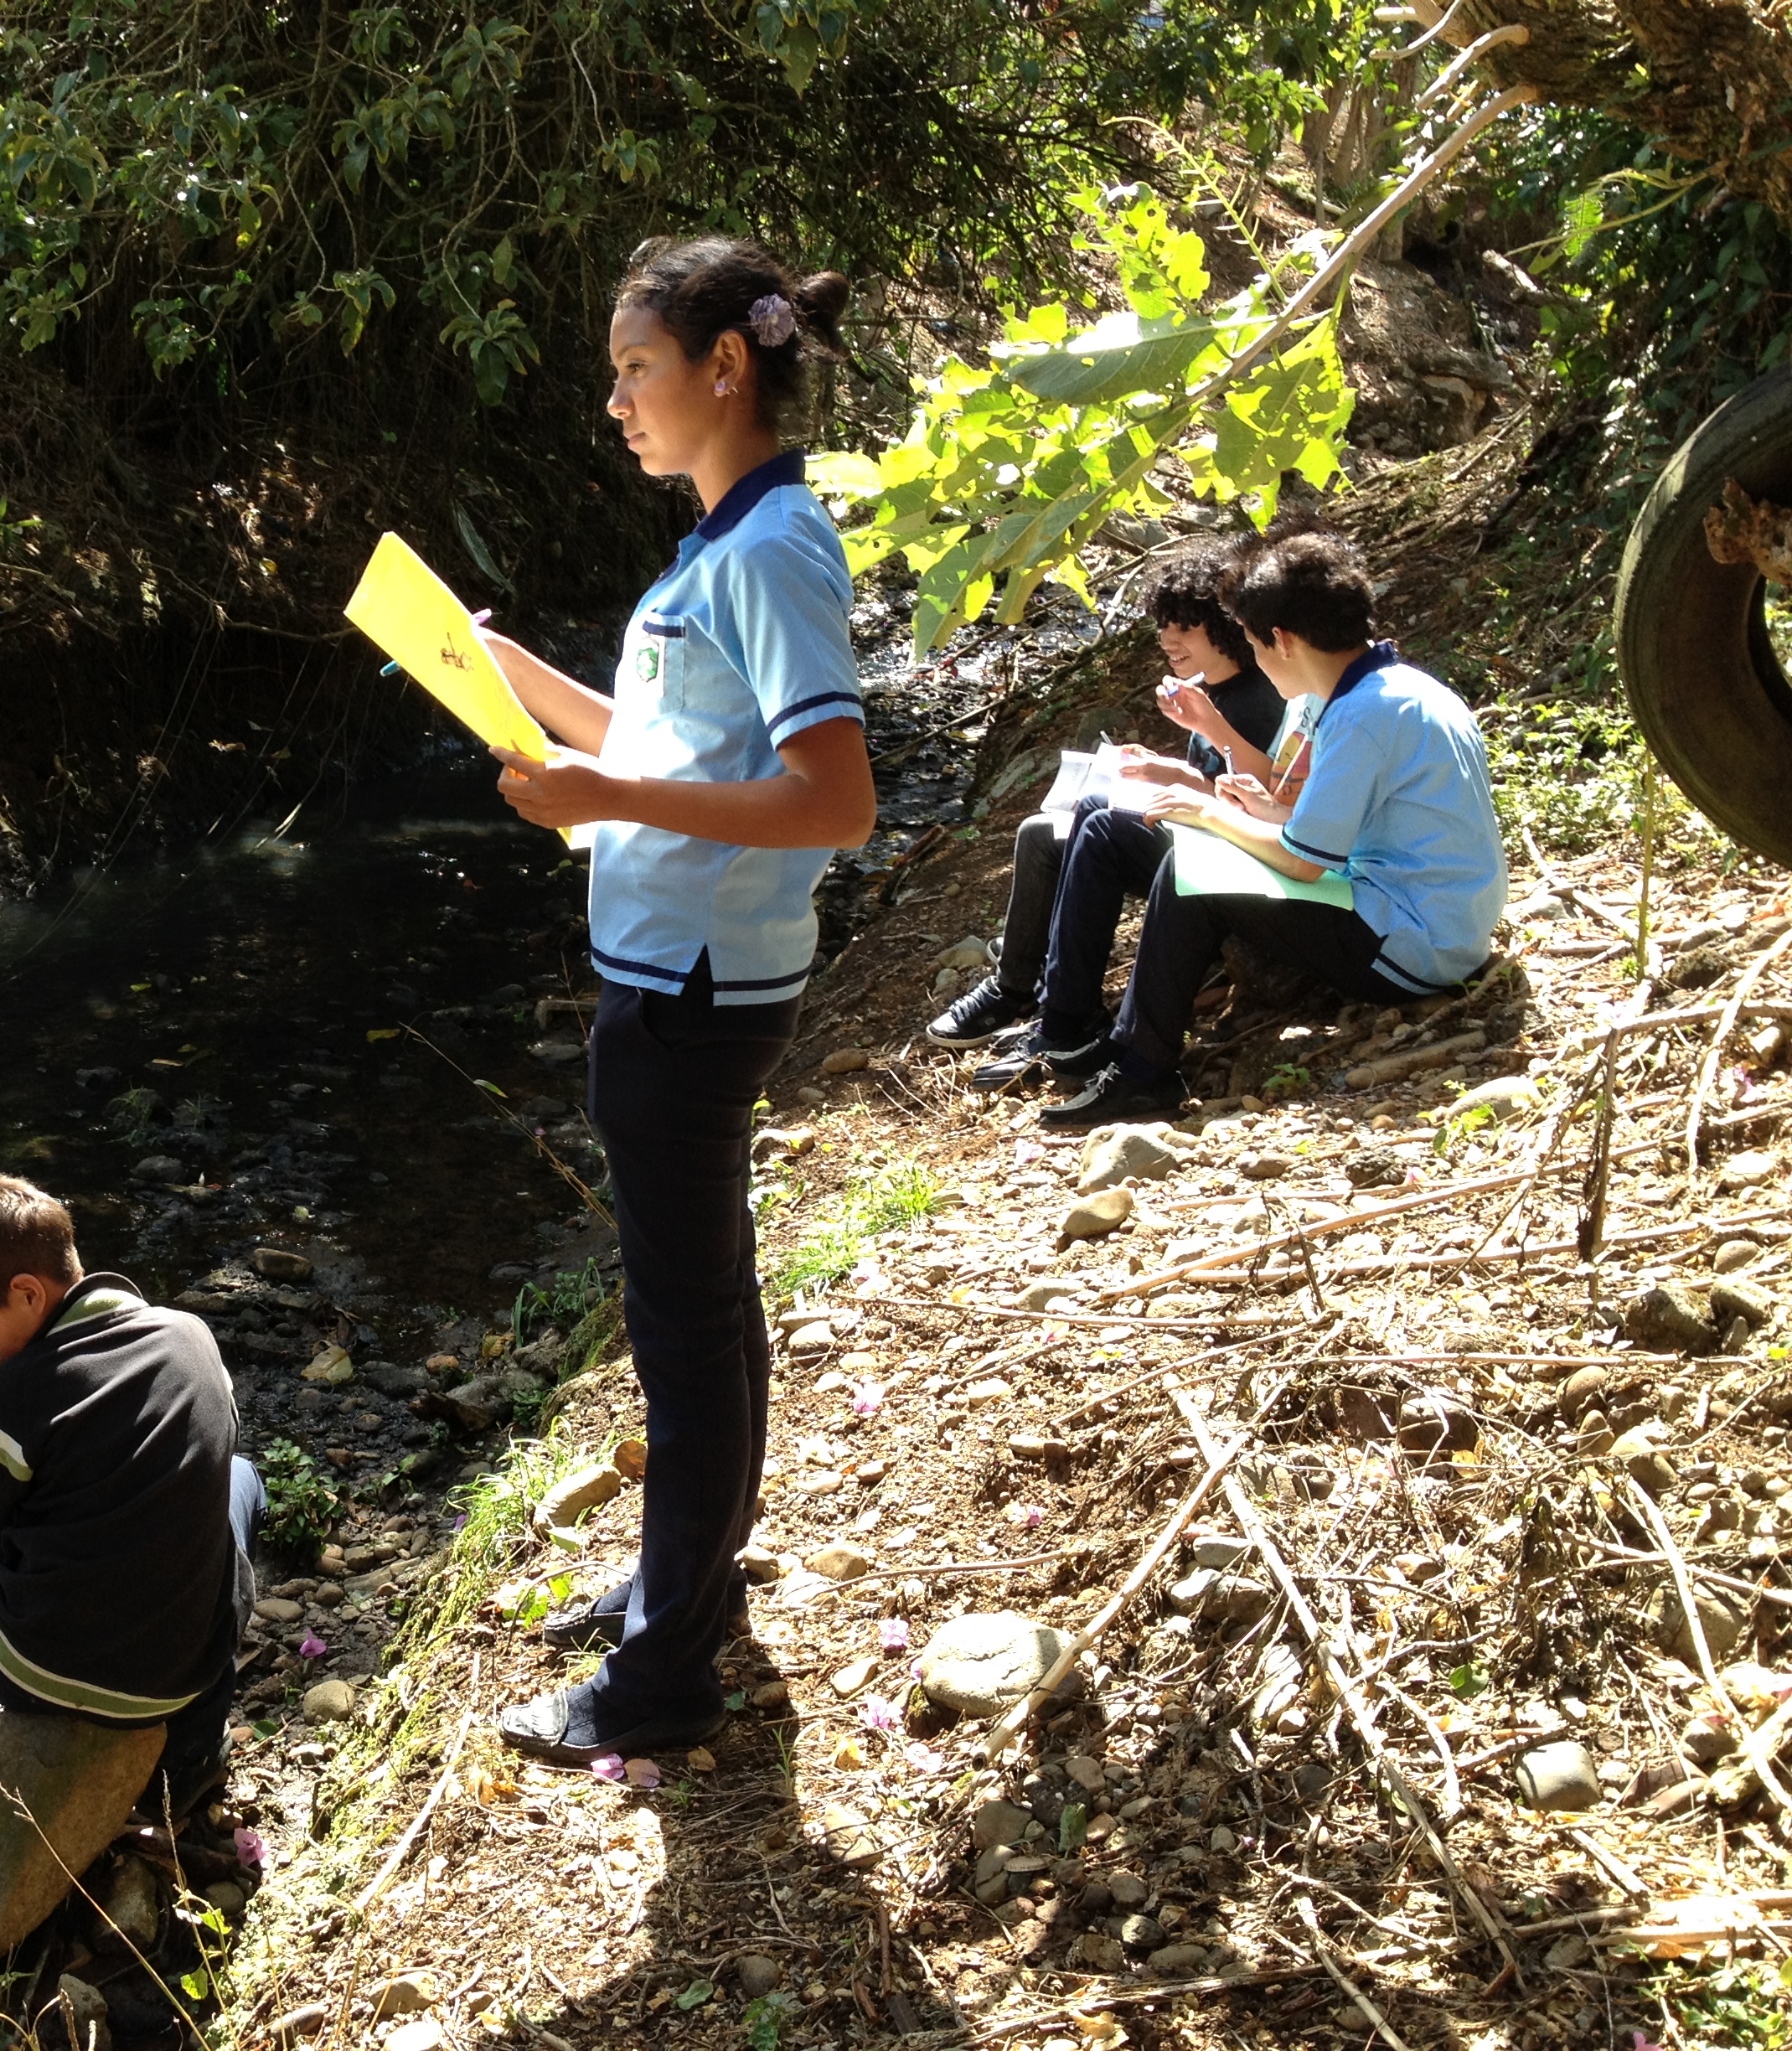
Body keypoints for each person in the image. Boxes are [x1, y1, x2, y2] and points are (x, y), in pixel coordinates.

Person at [468, 236, 877, 1764]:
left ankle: (664, 1678)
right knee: (703, 1311)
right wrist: (513, 678)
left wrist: (599, 791)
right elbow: (674, 753)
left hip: (693, 996)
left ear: (724, 366)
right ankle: (680, 1583)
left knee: (686, 1334)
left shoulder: (767, 551)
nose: (616, 401)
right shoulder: (725, 538)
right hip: (679, 980)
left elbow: (834, 799)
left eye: (635, 368)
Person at [1034, 527, 1506, 1129]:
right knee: (1121, 833)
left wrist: (1209, 812)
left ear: (1281, 640)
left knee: (1190, 871)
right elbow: (1352, 829)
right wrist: (1262, 810)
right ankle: (1079, 1033)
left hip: (1415, 944)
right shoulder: (1399, 689)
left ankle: (1143, 1073)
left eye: (1254, 645)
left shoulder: (1362, 714)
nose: (1255, 660)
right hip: (1429, 916)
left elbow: (1305, 862)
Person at [0, 1170, 261, 1813]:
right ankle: (196, 1748)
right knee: (239, 1478)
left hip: (32, 1670)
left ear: (26, 1294)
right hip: (187, 1673)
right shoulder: (192, 1337)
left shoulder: (10, 1395)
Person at [927, 543, 1290, 1049]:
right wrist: (1166, 769)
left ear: (1225, 628)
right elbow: (1218, 776)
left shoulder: (1260, 697)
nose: (1167, 640)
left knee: (1092, 831)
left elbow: (1263, 795)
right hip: (1198, 828)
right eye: (1163, 626)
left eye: (1184, 628)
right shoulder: (1212, 689)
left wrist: (1202, 736)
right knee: (1039, 832)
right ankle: (1017, 985)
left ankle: (1056, 1007)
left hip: (1225, 854)